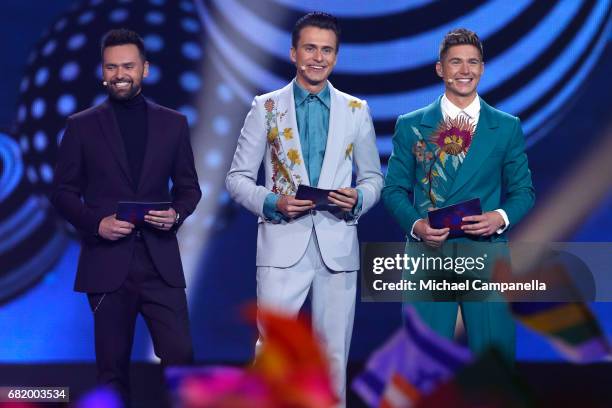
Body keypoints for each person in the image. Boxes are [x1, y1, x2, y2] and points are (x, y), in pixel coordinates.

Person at [226, 12, 383, 405]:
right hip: (282, 243)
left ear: (336, 56)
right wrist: (272, 202)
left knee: (333, 356)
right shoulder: (266, 107)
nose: (318, 57)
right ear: (294, 52)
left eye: (326, 50)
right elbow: (237, 178)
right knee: (274, 353)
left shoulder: (355, 110)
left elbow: (373, 178)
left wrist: (359, 198)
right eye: (310, 48)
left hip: (338, 246)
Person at [51, 28, 201, 405]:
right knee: (112, 370)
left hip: (160, 263)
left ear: (145, 69)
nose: (120, 74)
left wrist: (177, 213)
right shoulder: (81, 126)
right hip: (107, 263)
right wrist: (94, 223)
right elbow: (63, 192)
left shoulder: (173, 124)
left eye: (128, 66)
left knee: (181, 356)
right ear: (103, 72)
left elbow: (189, 188)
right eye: (112, 67)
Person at [382, 28, 535, 362]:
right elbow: (393, 189)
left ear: (482, 68)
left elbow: (523, 191)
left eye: (473, 62)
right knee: (420, 363)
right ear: (440, 69)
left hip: (485, 256)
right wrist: (416, 225)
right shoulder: (411, 125)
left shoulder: (506, 126)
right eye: (456, 62)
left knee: (495, 363)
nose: (465, 70)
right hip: (428, 256)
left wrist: (501, 217)